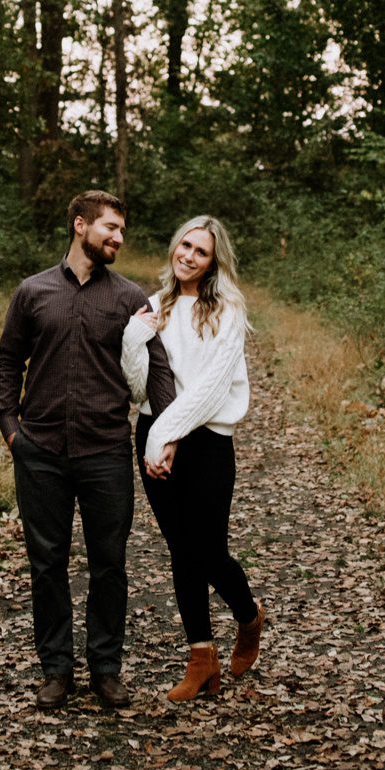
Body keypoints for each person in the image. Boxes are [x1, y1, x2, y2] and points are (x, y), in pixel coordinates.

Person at [0, 190, 175, 710]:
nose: (118, 238)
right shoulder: (32, 293)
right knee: (46, 563)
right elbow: (7, 361)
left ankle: (106, 669)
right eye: (110, 228)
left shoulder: (127, 298)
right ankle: (55, 670)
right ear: (80, 225)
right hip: (40, 451)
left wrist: (166, 434)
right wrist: (11, 428)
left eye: (122, 230)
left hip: (105, 452)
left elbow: (157, 366)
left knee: (109, 564)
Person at [120, 214, 266, 701]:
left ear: (213, 261)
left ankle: (249, 617)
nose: (188, 256)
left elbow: (209, 390)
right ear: (173, 246)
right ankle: (201, 658)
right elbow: (137, 386)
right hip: (155, 432)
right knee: (181, 550)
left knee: (208, 550)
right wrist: (133, 339)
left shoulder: (226, 310)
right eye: (184, 245)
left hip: (203, 441)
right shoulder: (155, 305)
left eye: (200, 252)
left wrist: (165, 435)